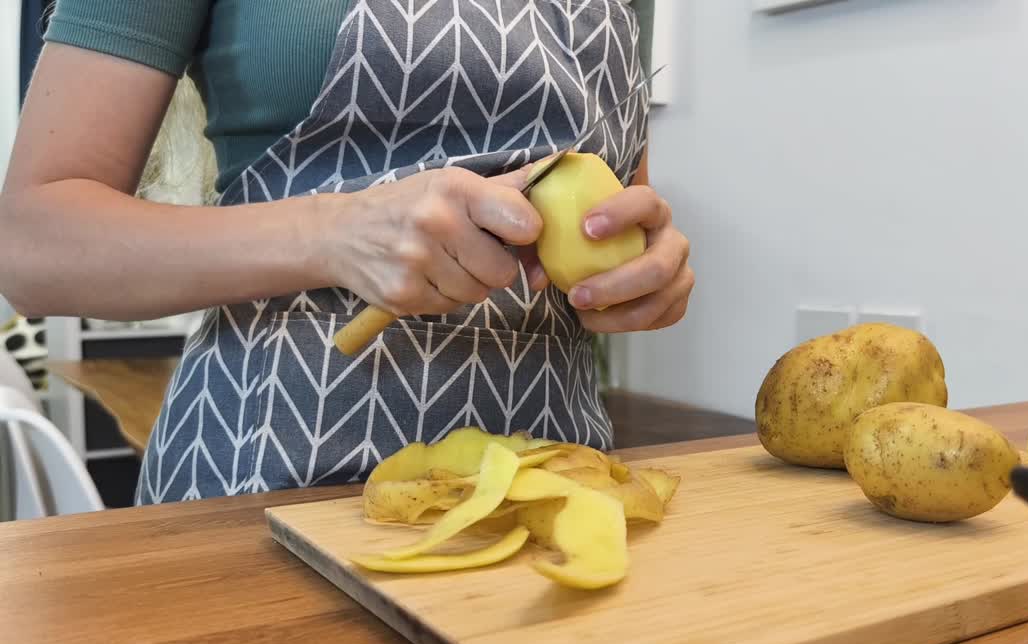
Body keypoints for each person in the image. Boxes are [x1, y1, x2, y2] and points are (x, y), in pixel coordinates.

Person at [0, 0, 694, 505]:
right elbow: (30, 245)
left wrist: (646, 266)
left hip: (555, 475)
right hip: (278, 475)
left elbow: (619, 191)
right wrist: (333, 232)